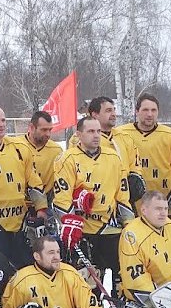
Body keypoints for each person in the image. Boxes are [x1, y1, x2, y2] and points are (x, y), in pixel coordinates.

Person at [54, 116, 134, 296]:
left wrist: (129, 224)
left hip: (110, 228)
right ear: (78, 135)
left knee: (119, 278)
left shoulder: (113, 157)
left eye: (98, 131)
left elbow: (122, 194)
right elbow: (62, 196)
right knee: (87, 284)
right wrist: (70, 225)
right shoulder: (67, 158)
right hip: (83, 230)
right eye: (90, 131)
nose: (96, 135)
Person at [0, 105, 47, 268]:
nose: (1, 124)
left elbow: (34, 180)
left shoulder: (20, 147)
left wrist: (41, 209)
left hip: (20, 222)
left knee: (26, 268)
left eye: (3, 120)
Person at [118, 191, 171, 308]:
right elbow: (137, 285)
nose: (163, 213)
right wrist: (169, 300)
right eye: (158, 209)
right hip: (145, 306)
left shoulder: (170, 226)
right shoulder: (131, 235)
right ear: (143, 210)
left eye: (165, 208)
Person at [113, 93, 171, 214]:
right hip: (131, 201)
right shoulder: (121, 134)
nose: (149, 114)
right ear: (137, 111)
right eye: (145, 110)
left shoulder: (170, 135)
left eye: (153, 110)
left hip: (163, 200)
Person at [11, 110, 63, 202]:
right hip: (20, 204)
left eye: (50, 130)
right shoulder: (15, 146)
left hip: (46, 204)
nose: (48, 134)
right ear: (31, 128)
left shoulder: (56, 150)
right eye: (43, 130)